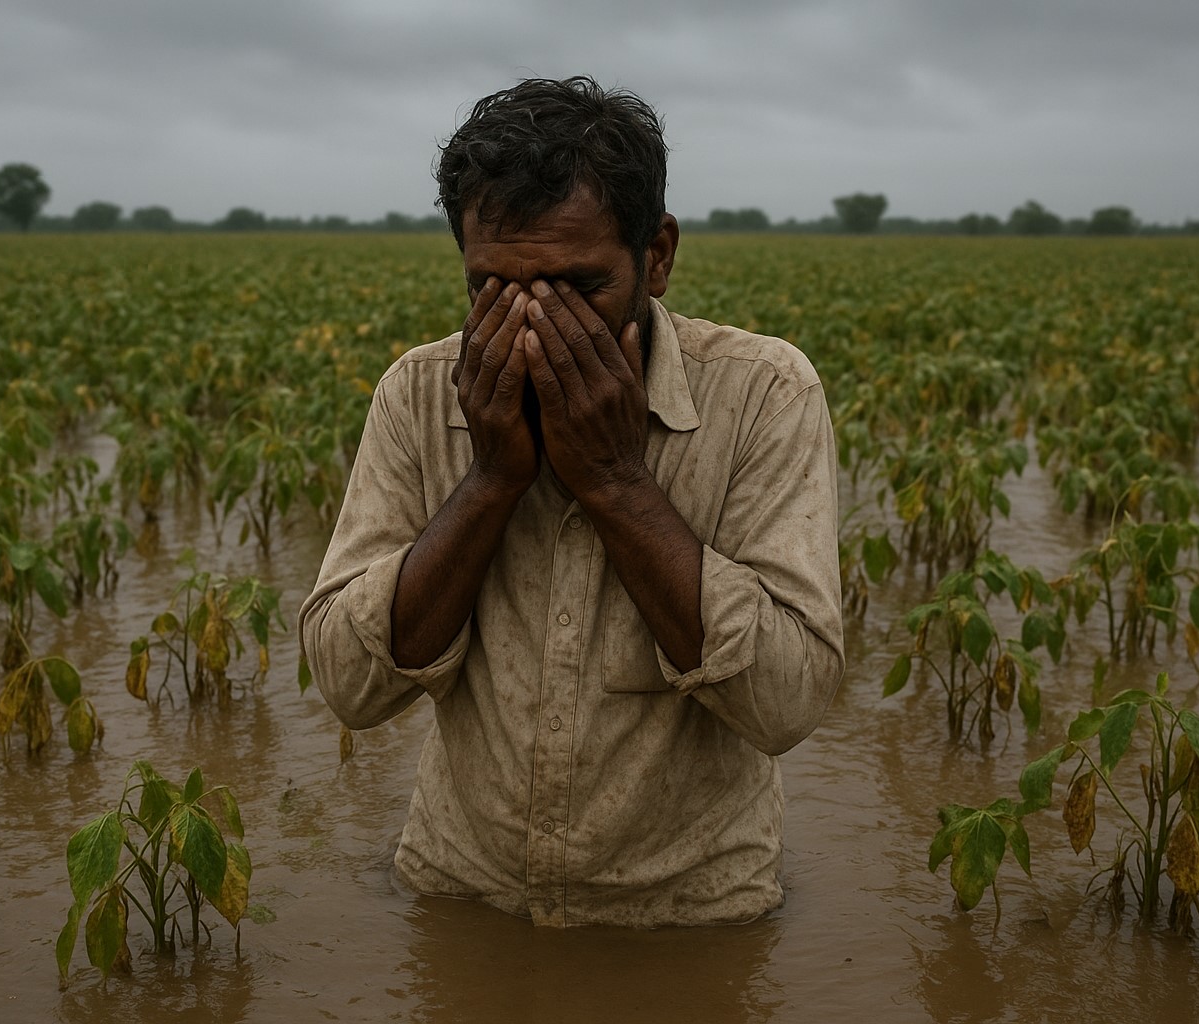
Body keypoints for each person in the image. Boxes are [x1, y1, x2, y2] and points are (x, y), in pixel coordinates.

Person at [299, 76, 844, 927]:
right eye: (493, 289)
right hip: (464, 893)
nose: (531, 332)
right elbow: (349, 685)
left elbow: (787, 700)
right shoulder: (417, 393)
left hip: (691, 913)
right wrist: (489, 482)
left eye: (579, 288)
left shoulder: (764, 393)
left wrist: (616, 482)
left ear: (656, 257)